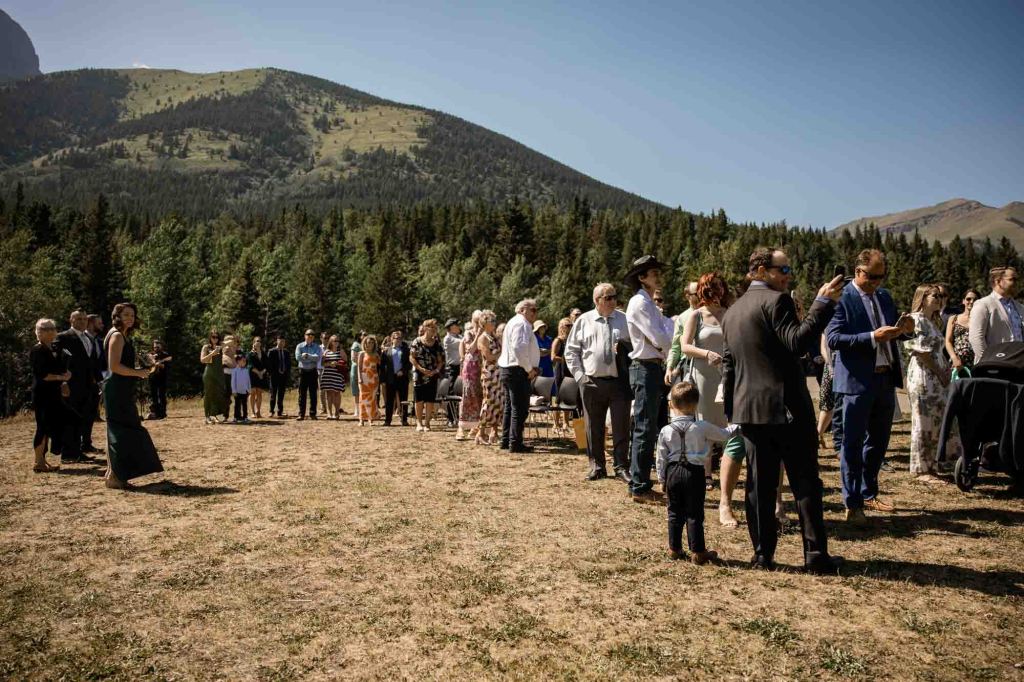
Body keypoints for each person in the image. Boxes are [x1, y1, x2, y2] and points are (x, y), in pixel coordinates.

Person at [721, 247, 845, 574]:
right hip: (786, 407)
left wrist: (734, 410)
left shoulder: (732, 312)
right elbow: (798, 342)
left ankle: (762, 555)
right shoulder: (778, 301)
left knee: (758, 486)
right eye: (783, 269)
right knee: (805, 481)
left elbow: (729, 365)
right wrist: (822, 305)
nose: (788, 274)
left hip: (750, 410)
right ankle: (815, 556)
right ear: (761, 270)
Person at [826, 249, 911, 523]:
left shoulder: (884, 297)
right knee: (851, 444)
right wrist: (873, 337)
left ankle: (868, 492)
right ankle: (852, 503)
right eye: (873, 277)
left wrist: (905, 330)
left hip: (884, 378)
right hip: (855, 381)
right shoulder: (842, 298)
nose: (877, 282)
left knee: (878, 441)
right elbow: (834, 339)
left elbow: (893, 332)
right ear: (858, 271)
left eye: (882, 276)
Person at [656, 381, 738, 563]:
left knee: (674, 512)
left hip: (673, 473)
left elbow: (661, 457)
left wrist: (662, 478)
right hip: (694, 473)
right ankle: (698, 551)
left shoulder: (666, 430)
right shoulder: (702, 426)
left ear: (671, 404)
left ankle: (674, 548)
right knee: (694, 513)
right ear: (696, 405)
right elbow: (724, 434)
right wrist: (737, 426)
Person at [565, 283, 631, 481]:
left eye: (614, 296)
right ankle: (597, 466)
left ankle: (621, 467)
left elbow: (636, 346)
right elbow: (571, 352)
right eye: (608, 297)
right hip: (592, 381)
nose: (613, 301)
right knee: (593, 426)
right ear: (597, 300)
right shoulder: (584, 320)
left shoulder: (624, 319)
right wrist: (580, 377)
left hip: (620, 381)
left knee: (621, 425)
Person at [624, 255, 674, 503]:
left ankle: (639, 482)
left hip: (650, 366)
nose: (657, 276)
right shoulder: (640, 304)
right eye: (653, 273)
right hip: (646, 366)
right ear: (642, 277)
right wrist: (667, 341)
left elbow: (666, 333)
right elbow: (661, 338)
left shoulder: (646, 303)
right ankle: (640, 485)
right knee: (645, 426)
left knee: (647, 425)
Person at [102, 303, 163, 490]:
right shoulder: (117, 336)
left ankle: (113, 475)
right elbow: (114, 366)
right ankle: (115, 477)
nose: (130, 318)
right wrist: (139, 373)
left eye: (132, 315)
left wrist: (144, 365)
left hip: (121, 388)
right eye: (126, 314)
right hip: (116, 389)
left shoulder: (122, 335)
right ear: (117, 316)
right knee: (124, 430)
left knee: (121, 429)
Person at [905, 285, 952, 484]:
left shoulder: (932, 321)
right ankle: (921, 469)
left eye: (941, 295)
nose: (940, 298)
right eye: (935, 295)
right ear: (923, 298)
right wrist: (940, 371)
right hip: (924, 376)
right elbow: (920, 352)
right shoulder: (915, 320)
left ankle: (933, 465)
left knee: (934, 421)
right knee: (922, 422)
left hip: (936, 377)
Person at [29, 318, 77, 471]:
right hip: (42, 394)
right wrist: (61, 378)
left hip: (54, 393)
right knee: (42, 427)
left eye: (52, 328)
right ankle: (38, 462)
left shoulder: (54, 348)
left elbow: (59, 369)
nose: (50, 331)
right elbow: (42, 375)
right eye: (45, 329)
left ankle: (44, 458)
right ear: (38, 332)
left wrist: (65, 377)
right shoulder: (37, 350)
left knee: (54, 425)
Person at [55, 310, 101, 459]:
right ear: (71, 320)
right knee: (70, 419)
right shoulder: (63, 337)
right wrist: (62, 381)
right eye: (78, 319)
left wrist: (97, 380)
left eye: (84, 319)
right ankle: (68, 452)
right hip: (71, 386)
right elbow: (57, 361)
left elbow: (91, 361)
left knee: (82, 418)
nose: (82, 321)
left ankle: (77, 450)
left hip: (87, 386)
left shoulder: (88, 338)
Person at [499, 299, 541, 453]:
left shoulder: (514, 322)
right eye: (533, 310)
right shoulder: (521, 323)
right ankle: (515, 443)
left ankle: (506, 440)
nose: (535, 313)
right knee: (520, 408)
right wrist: (529, 368)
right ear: (523, 310)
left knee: (511, 408)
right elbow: (519, 347)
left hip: (510, 369)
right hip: (517, 369)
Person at [969, 267, 1024, 361]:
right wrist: (988, 361)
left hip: (1017, 365)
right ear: (998, 281)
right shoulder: (983, 304)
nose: (1016, 283)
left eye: (1017, 279)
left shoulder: (1020, 307)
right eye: (1012, 279)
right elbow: (976, 338)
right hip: (994, 366)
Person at [410, 319, 446, 431]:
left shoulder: (437, 344)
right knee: (419, 399)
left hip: (432, 374)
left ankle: (427, 424)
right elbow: (412, 357)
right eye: (432, 328)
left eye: (435, 328)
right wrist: (421, 369)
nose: (434, 330)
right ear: (426, 328)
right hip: (419, 374)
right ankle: (419, 423)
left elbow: (441, 361)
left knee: (430, 400)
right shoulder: (416, 341)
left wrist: (436, 371)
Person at [477, 310, 504, 445]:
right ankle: (480, 433)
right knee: (488, 403)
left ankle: (494, 433)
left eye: (494, 320)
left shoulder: (494, 336)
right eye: (491, 321)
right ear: (484, 323)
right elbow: (488, 357)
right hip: (489, 374)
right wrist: (502, 354)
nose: (494, 323)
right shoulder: (483, 338)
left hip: (498, 374)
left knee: (498, 403)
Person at [666, 281, 700, 385]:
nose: (701, 295)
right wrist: (669, 368)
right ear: (688, 296)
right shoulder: (682, 318)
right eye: (697, 293)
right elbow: (676, 347)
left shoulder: (710, 313)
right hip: (688, 365)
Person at [457, 311, 484, 440]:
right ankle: (461, 428)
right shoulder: (469, 334)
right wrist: (478, 334)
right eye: (477, 321)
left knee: (480, 398)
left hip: (482, 370)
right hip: (470, 371)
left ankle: (476, 427)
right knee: (467, 398)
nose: (479, 324)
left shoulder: (486, 334)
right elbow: (470, 349)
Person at [381, 330, 412, 426]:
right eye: (396, 338)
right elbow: (382, 366)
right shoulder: (386, 351)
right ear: (391, 339)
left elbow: (409, 363)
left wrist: (403, 371)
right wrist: (382, 380)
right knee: (389, 400)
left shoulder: (406, 350)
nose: (398, 340)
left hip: (402, 377)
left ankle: (404, 419)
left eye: (400, 338)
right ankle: (387, 420)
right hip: (390, 378)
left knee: (403, 400)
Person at [946, 288, 981, 372]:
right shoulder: (954, 318)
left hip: (977, 362)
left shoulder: (982, 319)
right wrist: (954, 358)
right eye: (968, 299)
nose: (971, 301)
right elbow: (948, 341)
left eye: (975, 299)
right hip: (958, 363)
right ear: (963, 301)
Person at [549, 317, 573, 434]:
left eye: (571, 325)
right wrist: (565, 359)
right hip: (560, 370)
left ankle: (566, 423)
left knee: (567, 397)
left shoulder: (571, 340)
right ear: (562, 326)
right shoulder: (558, 340)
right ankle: (555, 424)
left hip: (569, 371)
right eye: (568, 325)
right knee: (557, 398)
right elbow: (553, 357)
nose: (570, 327)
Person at [200, 331, 228, 424]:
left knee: (218, 394)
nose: (215, 338)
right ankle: (207, 417)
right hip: (209, 374)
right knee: (208, 394)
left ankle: (214, 415)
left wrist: (233, 336)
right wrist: (213, 353)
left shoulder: (220, 346)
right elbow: (202, 360)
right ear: (210, 337)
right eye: (213, 337)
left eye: (216, 337)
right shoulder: (206, 347)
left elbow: (232, 342)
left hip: (219, 374)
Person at [295, 329, 323, 421]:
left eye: (312, 334)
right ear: (305, 335)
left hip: (312, 371)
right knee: (301, 394)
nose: (310, 336)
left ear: (314, 337)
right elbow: (298, 357)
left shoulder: (317, 347)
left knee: (313, 394)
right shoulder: (299, 346)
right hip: (302, 372)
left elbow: (317, 358)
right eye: (308, 334)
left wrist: (306, 355)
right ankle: (301, 414)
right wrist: (311, 357)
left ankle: (313, 414)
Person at [320, 335, 348, 419]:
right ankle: (329, 413)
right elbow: (322, 363)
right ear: (331, 342)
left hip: (338, 375)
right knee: (328, 394)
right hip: (328, 375)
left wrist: (339, 363)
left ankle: (336, 412)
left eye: (338, 341)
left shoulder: (341, 351)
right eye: (335, 341)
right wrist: (329, 364)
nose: (337, 342)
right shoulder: (326, 351)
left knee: (337, 393)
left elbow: (346, 362)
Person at [358, 335, 381, 426]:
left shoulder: (376, 354)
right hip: (364, 378)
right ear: (365, 343)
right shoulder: (362, 354)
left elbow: (381, 364)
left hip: (374, 378)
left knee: (372, 398)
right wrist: (359, 378)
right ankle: (361, 419)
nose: (370, 344)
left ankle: (370, 418)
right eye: (368, 342)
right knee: (362, 399)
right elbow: (359, 368)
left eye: (372, 343)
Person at [147, 338, 171, 420]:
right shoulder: (150, 354)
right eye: (154, 347)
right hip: (152, 377)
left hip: (162, 377)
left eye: (157, 347)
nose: (156, 348)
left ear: (161, 346)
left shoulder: (165, 355)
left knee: (161, 395)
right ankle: (155, 412)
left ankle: (163, 412)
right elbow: (148, 363)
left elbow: (165, 366)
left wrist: (159, 364)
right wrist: (153, 361)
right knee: (153, 395)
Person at [267, 336, 291, 417]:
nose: (281, 343)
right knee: (273, 394)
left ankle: (280, 411)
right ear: (277, 341)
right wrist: (271, 374)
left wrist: (287, 374)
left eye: (283, 341)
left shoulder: (286, 352)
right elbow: (269, 365)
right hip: (274, 376)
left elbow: (288, 364)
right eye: (280, 341)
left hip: (283, 376)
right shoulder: (271, 351)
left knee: (281, 394)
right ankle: (271, 411)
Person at [247, 337, 269, 419]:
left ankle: (258, 411)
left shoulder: (263, 353)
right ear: (253, 343)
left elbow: (267, 364)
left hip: (262, 375)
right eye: (257, 341)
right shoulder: (250, 354)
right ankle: (252, 412)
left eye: (259, 341)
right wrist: (258, 372)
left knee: (259, 392)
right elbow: (250, 365)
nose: (258, 342)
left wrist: (262, 372)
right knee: (252, 393)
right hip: (252, 375)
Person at [220, 335, 238, 422]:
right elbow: (221, 346)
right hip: (225, 374)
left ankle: (237, 415)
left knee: (236, 395)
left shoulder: (234, 348)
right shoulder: (223, 347)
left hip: (234, 373)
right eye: (228, 341)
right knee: (226, 395)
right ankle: (225, 415)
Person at [231, 354, 252, 424]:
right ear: (238, 361)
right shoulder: (234, 370)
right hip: (237, 391)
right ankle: (236, 417)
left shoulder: (246, 370)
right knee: (237, 405)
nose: (244, 362)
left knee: (245, 404)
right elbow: (233, 381)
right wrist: (234, 391)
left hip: (245, 391)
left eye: (245, 361)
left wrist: (249, 389)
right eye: (243, 361)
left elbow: (248, 380)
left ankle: (245, 417)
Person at [350, 331, 365, 407]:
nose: (365, 336)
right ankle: (357, 409)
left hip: (365, 369)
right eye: (364, 335)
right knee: (356, 389)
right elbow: (353, 357)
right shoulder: (356, 344)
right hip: (356, 368)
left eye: (366, 335)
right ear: (359, 336)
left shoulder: (367, 345)